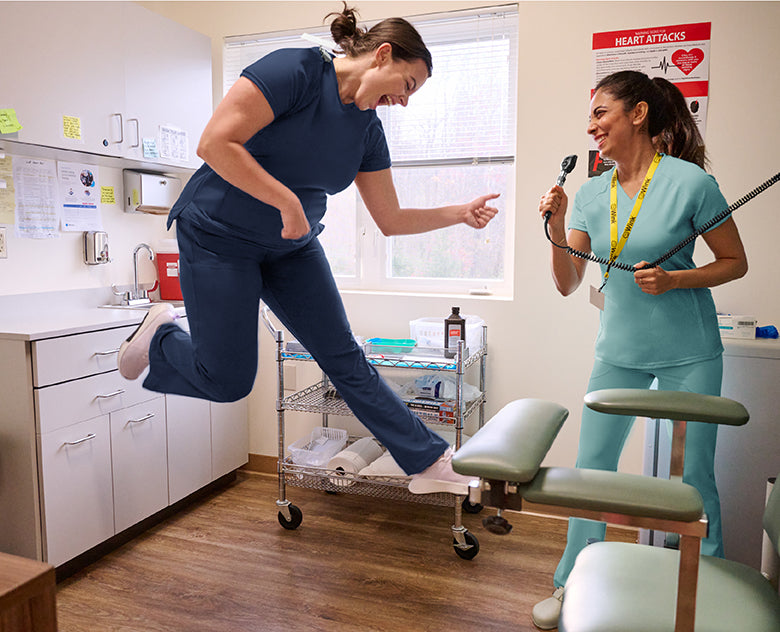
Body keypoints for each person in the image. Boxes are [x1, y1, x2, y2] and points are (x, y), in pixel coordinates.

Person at [116, 4, 499, 495]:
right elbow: (214, 143)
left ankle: (425, 461)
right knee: (229, 381)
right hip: (217, 236)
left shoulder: (367, 130)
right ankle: (161, 337)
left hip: (290, 247)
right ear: (382, 56)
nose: (404, 101)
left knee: (345, 357)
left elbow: (390, 219)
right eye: (407, 85)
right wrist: (286, 201)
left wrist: (458, 213)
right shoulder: (294, 71)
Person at [532, 70, 747, 630]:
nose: (592, 124)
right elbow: (567, 282)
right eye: (590, 115)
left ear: (638, 114)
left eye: (601, 111)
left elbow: (734, 262)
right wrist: (556, 226)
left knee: (695, 477)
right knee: (592, 468)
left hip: (689, 352)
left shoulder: (691, 183)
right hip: (619, 349)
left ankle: (711, 585)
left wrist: (677, 280)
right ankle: (569, 582)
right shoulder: (587, 193)